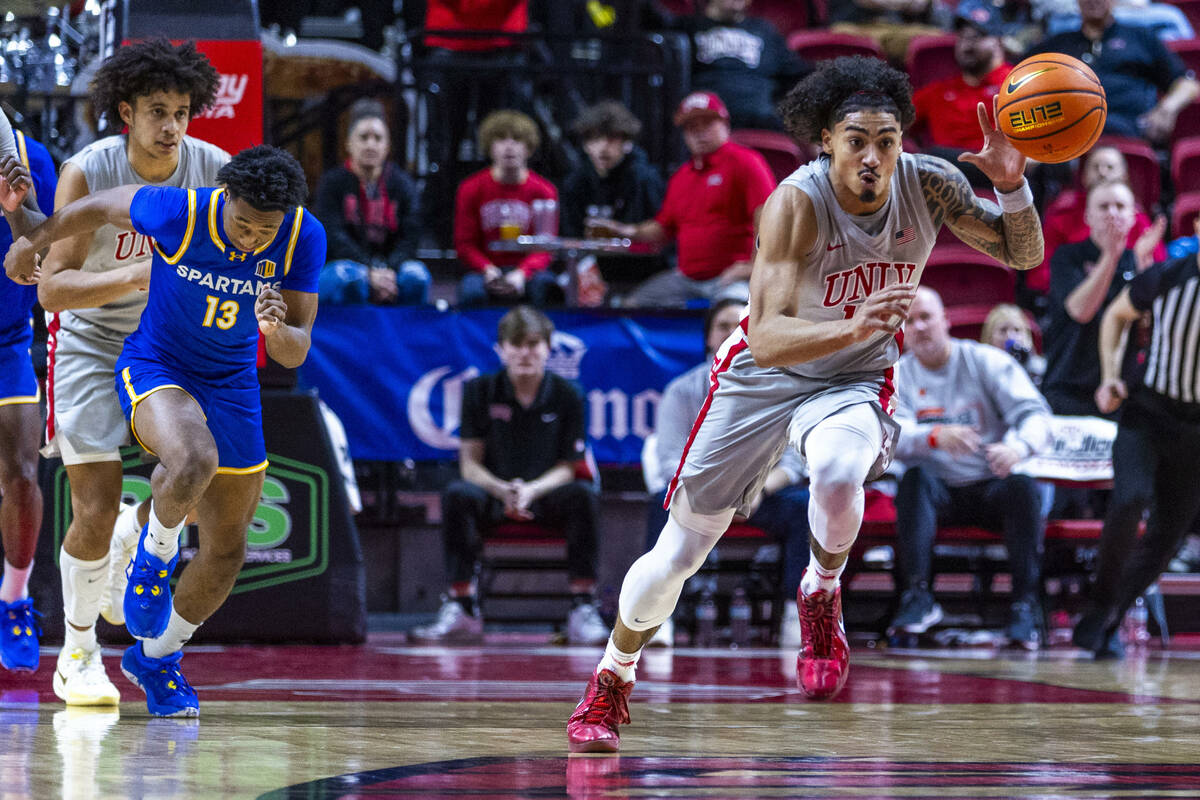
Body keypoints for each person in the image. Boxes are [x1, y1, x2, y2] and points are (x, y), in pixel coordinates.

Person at [566, 55, 1044, 753]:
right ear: (825, 140)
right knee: (678, 554)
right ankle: (613, 677)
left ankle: (820, 590)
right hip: (762, 373)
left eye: (887, 140)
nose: (874, 156)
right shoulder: (795, 199)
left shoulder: (931, 184)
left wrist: (1013, 188)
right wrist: (855, 324)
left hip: (852, 378)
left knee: (839, 472)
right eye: (857, 141)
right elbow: (767, 331)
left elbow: (1021, 255)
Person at [6, 145, 325, 716]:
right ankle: (152, 561)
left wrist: (276, 331)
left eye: (264, 231)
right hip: (157, 365)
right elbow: (101, 206)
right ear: (223, 198)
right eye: (244, 224)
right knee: (192, 459)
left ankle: (157, 658)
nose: (252, 239)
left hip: (232, 384)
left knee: (229, 547)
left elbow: (295, 351)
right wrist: (31, 239)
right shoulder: (181, 211)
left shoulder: (304, 236)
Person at [28, 40, 229, 707]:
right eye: (156, 112)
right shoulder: (89, 171)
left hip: (167, 341)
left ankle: (136, 536)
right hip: (87, 338)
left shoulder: (214, 170)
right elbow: (51, 290)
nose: (171, 126)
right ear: (126, 113)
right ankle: (78, 654)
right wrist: (141, 275)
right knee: (92, 502)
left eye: (181, 112)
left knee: (193, 469)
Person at [410, 306, 606, 646]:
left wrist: (530, 491)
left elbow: (568, 466)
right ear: (501, 350)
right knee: (457, 494)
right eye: (515, 344)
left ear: (548, 348)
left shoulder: (569, 394)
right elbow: (469, 464)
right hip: (495, 494)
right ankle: (462, 606)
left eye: (533, 344)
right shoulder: (479, 391)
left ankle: (582, 605)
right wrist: (504, 491)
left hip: (546, 495)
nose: (525, 352)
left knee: (584, 495)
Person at [891, 287, 1052, 649]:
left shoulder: (985, 361)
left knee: (1024, 487)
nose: (919, 327)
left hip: (990, 482)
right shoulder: (898, 375)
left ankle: (1024, 605)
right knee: (913, 481)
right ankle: (918, 598)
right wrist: (933, 436)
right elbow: (886, 439)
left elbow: (1037, 416)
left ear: (946, 320)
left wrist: (1017, 447)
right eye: (909, 321)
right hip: (937, 493)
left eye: (926, 317)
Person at [645, 297, 811, 648]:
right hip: (702, 496)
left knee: (806, 506)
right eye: (724, 325)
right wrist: (719, 494)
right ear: (708, 337)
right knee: (658, 502)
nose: (735, 330)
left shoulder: (785, 386)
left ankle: (796, 614)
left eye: (744, 322)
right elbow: (670, 461)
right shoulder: (682, 390)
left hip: (761, 495)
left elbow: (796, 462)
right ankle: (658, 616)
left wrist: (754, 491)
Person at [1072, 247, 1200, 658]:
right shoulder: (1166, 276)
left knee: (1169, 537)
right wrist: (1110, 375)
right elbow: (1114, 315)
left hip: (1196, 429)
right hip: (1147, 412)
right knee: (1131, 499)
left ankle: (1112, 617)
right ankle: (1101, 602)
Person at [589, 91, 775, 308]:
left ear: (725, 125)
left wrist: (754, 266)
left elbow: (769, 215)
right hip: (686, 278)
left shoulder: (746, 161)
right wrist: (625, 230)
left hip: (732, 276)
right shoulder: (682, 176)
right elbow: (663, 227)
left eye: (706, 124)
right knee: (630, 306)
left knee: (732, 311)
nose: (699, 133)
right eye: (691, 127)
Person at [0, 118, 56, 673]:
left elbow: (48, 256)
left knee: (21, 473)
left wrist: (17, 207)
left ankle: (14, 597)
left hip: (6, 339)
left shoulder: (27, 155)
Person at [1041, 180, 1161, 417]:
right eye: (1104, 207)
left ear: (1134, 216)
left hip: (1120, 395)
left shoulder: (1139, 261)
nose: (1112, 213)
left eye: (1120, 206)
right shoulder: (1067, 257)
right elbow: (1080, 311)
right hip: (1067, 390)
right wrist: (1110, 256)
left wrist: (1142, 269)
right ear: (1088, 216)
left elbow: (1147, 331)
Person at [1029, 0, 1199, 143]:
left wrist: (1167, 108)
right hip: (1070, 137)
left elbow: (1187, 83)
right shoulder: (1057, 45)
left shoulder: (1140, 37)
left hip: (1132, 132)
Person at [313, 99, 430, 306]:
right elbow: (333, 236)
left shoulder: (403, 185)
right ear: (349, 143)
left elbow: (411, 237)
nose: (370, 144)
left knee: (417, 277)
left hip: (393, 269)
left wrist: (389, 272)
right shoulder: (332, 183)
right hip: (347, 265)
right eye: (363, 137)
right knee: (346, 279)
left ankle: (405, 336)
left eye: (377, 138)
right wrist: (369, 271)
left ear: (387, 146)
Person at [559, 101, 666, 305]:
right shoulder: (576, 181)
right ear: (585, 144)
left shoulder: (644, 179)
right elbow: (570, 235)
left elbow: (659, 237)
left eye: (611, 139)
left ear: (626, 142)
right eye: (595, 139)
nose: (603, 147)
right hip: (592, 271)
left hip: (641, 273)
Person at [454, 110, 561, 308]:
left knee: (547, 287)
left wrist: (522, 273)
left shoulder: (544, 190)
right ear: (489, 146)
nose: (509, 146)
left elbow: (546, 246)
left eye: (517, 139)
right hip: (486, 269)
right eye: (501, 139)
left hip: (528, 271)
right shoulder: (470, 188)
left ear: (529, 148)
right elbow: (465, 244)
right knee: (471, 291)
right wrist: (487, 270)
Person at [1028, 146, 1165, 298]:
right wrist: (1073, 284)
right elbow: (1040, 274)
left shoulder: (1137, 219)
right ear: (1083, 176)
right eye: (1095, 167)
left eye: (1110, 167)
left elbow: (1158, 270)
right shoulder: (1061, 215)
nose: (1102, 172)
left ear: (1125, 176)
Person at [910, 1, 1013, 187]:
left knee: (932, 159)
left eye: (976, 37)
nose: (967, 45)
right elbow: (897, 120)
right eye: (963, 37)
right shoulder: (940, 90)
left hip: (998, 172)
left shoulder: (1014, 83)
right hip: (943, 175)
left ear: (998, 41)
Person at [681, 0, 812, 131]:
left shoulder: (764, 30)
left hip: (760, 120)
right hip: (704, 119)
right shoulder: (687, 28)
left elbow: (798, 74)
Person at [980, 302, 1046, 385]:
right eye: (1003, 330)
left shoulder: (1039, 367)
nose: (1010, 337)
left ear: (1027, 336)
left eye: (1017, 330)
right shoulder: (980, 369)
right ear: (989, 336)